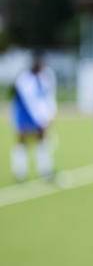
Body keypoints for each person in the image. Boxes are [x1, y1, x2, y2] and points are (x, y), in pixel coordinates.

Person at [9, 52, 57, 181]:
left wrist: (51, 113)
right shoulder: (24, 79)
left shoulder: (46, 76)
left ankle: (45, 170)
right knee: (22, 140)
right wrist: (41, 119)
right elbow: (30, 102)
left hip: (39, 113)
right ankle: (20, 171)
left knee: (42, 139)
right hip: (24, 114)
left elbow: (48, 96)